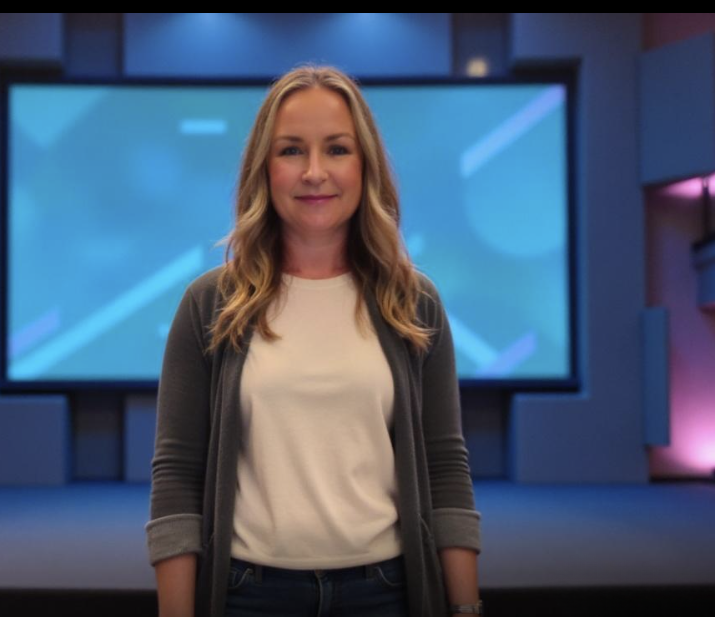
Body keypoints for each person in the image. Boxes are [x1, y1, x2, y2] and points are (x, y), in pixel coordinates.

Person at [147, 63, 483, 617]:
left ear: (365, 165)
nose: (314, 172)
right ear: (264, 168)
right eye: (291, 151)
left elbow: (445, 467)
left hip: (387, 593)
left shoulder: (413, 302)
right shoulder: (209, 306)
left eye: (337, 149)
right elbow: (178, 479)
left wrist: (467, 609)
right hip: (247, 596)